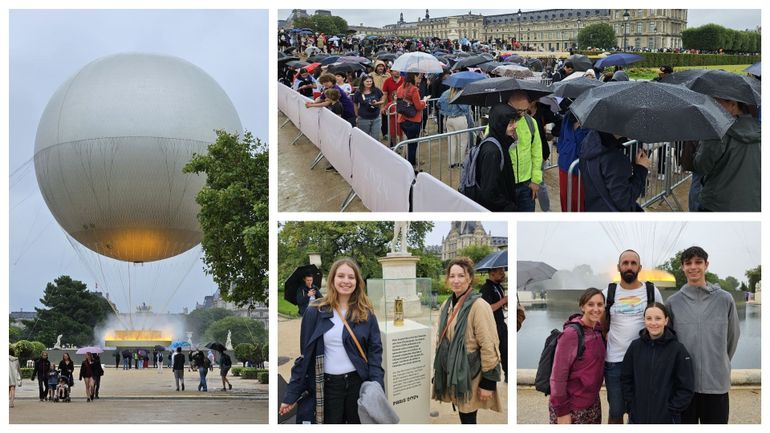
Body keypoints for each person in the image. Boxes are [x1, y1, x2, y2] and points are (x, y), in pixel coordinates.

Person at [280, 258, 384, 424]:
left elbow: (375, 353)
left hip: (358, 384)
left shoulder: (366, 313)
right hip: (327, 387)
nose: (346, 281)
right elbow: (305, 357)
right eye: (341, 276)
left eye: (351, 277)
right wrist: (291, 395)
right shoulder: (315, 312)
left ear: (357, 282)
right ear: (332, 279)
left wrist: (377, 386)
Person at [666, 246, 740, 424]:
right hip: (684, 385)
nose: (693, 267)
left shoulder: (725, 299)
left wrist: (719, 361)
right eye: (688, 263)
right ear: (682, 267)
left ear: (706, 265)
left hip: (716, 383)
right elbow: (669, 343)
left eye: (698, 262)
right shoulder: (673, 302)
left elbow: (733, 337)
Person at [432, 257, 502, 424]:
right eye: (452, 276)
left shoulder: (479, 305)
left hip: (471, 372)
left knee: (468, 416)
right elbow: (440, 340)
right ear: (447, 279)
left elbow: (489, 344)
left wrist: (488, 382)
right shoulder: (447, 304)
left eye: (461, 276)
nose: (456, 280)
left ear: (470, 278)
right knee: (464, 414)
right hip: (453, 370)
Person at [602, 249, 663, 423]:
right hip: (615, 362)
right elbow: (600, 325)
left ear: (640, 267)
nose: (629, 266)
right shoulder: (608, 292)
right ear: (618, 267)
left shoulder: (652, 291)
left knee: (642, 410)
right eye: (625, 263)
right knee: (616, 412)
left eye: (633, 263)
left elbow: (661, 322)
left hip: (645, 361)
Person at [621, 302, 694, 424]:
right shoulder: (635, 347)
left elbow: (686, 386)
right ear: (644, 320)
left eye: (658, 318)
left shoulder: (678, 350)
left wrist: (672, 409)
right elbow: (626, 378)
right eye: (649, 318)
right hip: (638, 417)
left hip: (667, 419)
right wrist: (631, 404)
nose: (653, 323)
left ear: (666, 321)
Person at [549, 288, 606, 424]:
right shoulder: (571, 334)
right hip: (572, 406)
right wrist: (562, 411)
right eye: (590, 304)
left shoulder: (598, 331)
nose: (596, 309)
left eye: (600, 304)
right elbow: (558, 376)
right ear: (582, 307)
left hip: (592, 403)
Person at [693, 97, 760, 212]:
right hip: (754, 205)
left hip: (717, 205)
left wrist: (704, 141)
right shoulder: (760, 129)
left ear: (733, 105)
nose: (711, 110)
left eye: (716, 105)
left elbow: (701, 166)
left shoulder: (718, 133)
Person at [578, 130, 651, 212]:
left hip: (594, 208)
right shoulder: (614, 158)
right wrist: (641, 169)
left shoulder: (590, 141)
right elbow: (624, 201)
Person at [471, 104, 521, 211]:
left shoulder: (499, 142)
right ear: (500, 124)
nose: (515, 126)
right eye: (511, 123)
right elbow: (489, 193)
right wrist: (508, 206)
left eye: (514, 122)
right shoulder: (492, 151)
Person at [507, 90, 542, 212]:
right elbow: (491, 149)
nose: (522, 113)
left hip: (527, 184)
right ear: (509, 105)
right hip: (505, 184)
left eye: (525, 110)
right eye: (518, 110)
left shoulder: (531, 122)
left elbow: (537, 152)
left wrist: (536, 180)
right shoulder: (499, 121)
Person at [480, 266, 509, 383]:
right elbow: (487, 309)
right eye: (500, 272)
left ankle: (508, 374)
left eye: (503, 271)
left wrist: (505, 304)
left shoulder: (499, 287)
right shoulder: (485, 289)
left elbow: (499, 306)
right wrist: (504, 300)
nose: (503, 274)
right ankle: (489, 380)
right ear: (492, 273)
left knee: (506, 350)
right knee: (492, 353)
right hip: (491, 327)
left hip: (501, 324)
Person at [556, 111, 589, 211]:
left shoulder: (591, 120)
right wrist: (562, 149)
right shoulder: (568, 116)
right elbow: (561, 136)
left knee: (578, 201)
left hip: (582, 168)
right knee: (565, 197)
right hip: (565, 164)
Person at [396, 72, 430, 168]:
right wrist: (424, 101)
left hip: (402, 120)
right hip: (413, 121)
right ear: (413, 77)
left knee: (409, 143)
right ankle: (411, 167)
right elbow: (418, 106)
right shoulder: (414, 89)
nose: (419, 79)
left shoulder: (400, 88)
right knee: (412, 146)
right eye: (418, 77)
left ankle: (409, 163)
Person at [437, 86, 472, 168]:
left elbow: (438, 103)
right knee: (462, 142)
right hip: (459, 119)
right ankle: (461, 162)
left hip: (449, 120)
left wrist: (445, 111)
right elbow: (465, 108)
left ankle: (451, 163)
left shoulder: (446, 93)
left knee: (451, 142)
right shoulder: (460, 94)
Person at [353, 75, 384, 140]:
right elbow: (355, 103)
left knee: (375, 138)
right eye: (367, 81)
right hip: (363, 118)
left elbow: (382, 100)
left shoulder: (376, 90)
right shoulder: (358, 92)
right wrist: (356, 114)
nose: (369, 83)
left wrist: (377, 103)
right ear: (363, 82)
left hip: (376, 118)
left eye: (370, 81)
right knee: (365, 138)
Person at [381, 68, 404, 146]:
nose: (397, 72)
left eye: (398, 70)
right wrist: (382, 106)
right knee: (393, 131)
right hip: (391, 107)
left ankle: (402, 146)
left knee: (402, 131)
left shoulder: (405, 80)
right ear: (391, 72)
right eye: (395, 70)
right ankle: (394, 146)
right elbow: (384, 94)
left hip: (403, 110)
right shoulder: (387, 81)